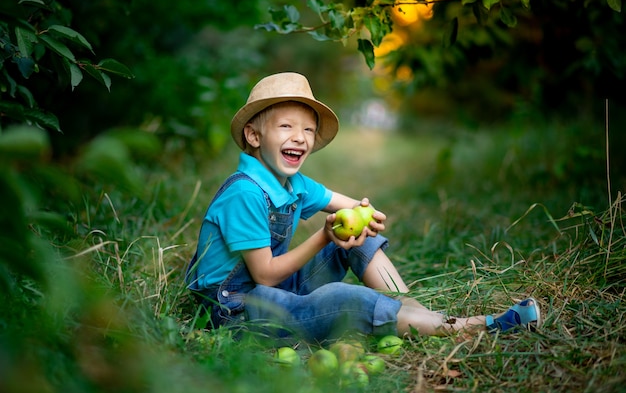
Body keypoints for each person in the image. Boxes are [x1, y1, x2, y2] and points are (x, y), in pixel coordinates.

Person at [185, 72, 540, 344]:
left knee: (359, 241)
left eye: (308, 129)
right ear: (254, 136)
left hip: (271, 293)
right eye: (286, 126)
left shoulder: (292, 183)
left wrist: (365, 215)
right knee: (343, 299)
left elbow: (349, 206)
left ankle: (417, 313)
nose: (301, 137)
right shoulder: (245, 193)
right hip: (233, 312)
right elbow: (264, 275)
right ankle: (466, 328)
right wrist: (326, 236)